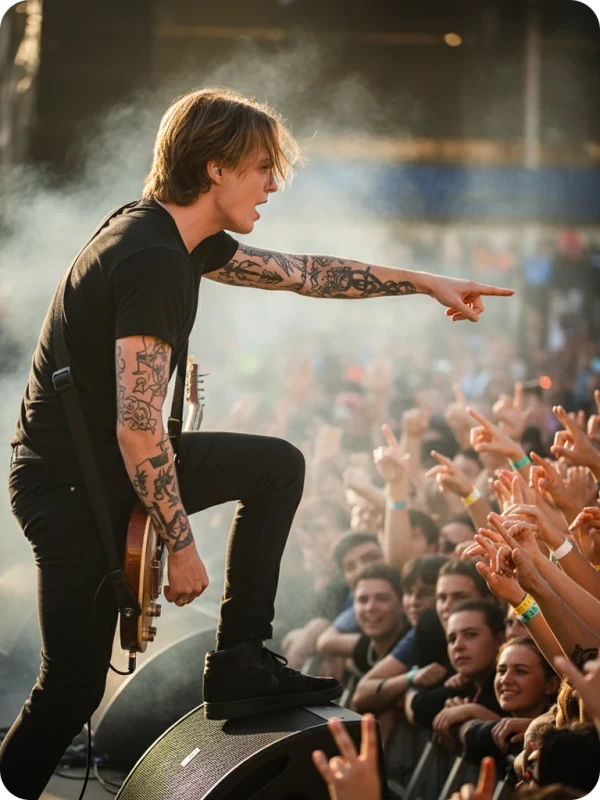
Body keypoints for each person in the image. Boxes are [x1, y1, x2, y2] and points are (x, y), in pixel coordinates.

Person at [0, 86, 514, 798]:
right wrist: (182, 544)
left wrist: (425, 282)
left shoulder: (179, 240)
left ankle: (240, 659)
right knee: (68, 691)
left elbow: (307, 275)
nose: (271, 185)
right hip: (68, 486)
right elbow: (137, 425)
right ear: (215, 167)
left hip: (96, 473)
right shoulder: (148, 256)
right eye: (261, 168)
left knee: (276, 466)